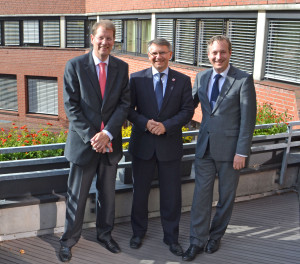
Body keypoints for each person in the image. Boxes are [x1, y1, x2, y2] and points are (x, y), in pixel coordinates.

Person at [59, 20, 130, 262]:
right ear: (92, 38)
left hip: (110, 145)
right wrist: (93, 137)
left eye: (109, 38)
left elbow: (124, 104)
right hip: (83, 145)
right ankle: (68, 241)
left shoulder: (122, 67)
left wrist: (108, 133)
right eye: (101, 37)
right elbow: (71, 107)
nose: (105, 42)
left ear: (113, 41)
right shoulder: (75, 65)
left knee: (107, 195)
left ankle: (105, 235)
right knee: (76, 197)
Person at [182, 35, 257, 261]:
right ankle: (196, 241)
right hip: (204, 148)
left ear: (229, 53)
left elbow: (248, 119)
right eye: (214, 53)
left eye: (223, 52)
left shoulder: (243, 80)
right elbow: (188, 106)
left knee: (226, 197)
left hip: (231, 152)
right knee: (200, 197)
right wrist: (165, 121)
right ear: (208, 54)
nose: (218, 57)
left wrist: (241, 152)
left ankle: (215, 237)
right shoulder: (202, 77)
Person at [127, 38, 194, 257]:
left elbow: (187, 112)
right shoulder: (136, 79)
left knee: (171, 195)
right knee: (139, 194)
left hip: (170, 145)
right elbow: (128, 110)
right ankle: (138, 233)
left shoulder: (183, 80)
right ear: (149, 56)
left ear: (170, 54)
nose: (158, 57)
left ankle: (171, 237)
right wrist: (145, 123)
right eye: (154, 53)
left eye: (162, 53)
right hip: (143, 145)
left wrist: (166, 126)